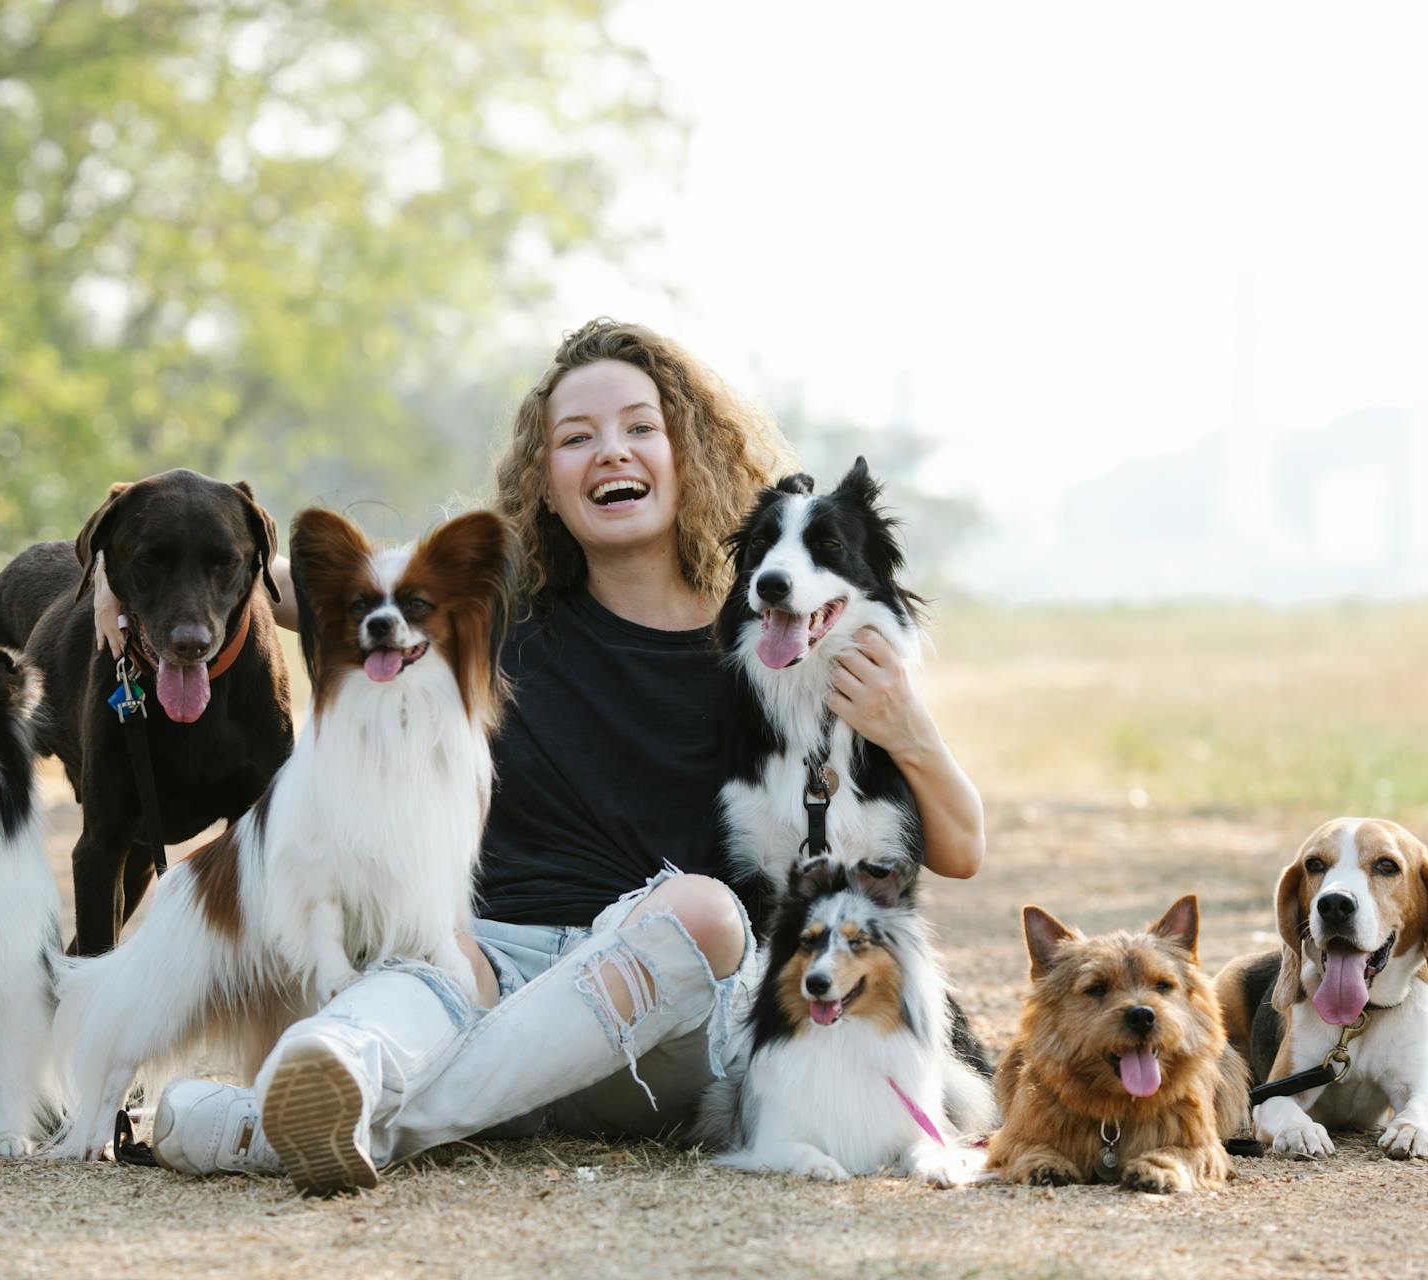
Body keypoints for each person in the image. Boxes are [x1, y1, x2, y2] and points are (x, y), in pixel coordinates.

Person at [144, 320, 986, 1191]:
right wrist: (126, 583)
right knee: (428, 953)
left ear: (684, 452)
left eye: (638, 428)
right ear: (544, 482)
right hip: (491, 968)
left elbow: (959, 850)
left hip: (671, 1007)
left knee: (702, 913)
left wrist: (907, 725)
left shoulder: (769, 643)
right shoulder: (487, 618)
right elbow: (274, 579)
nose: (609, 453)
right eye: (576, 438)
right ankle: (329, 1079)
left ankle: (267, 1129)